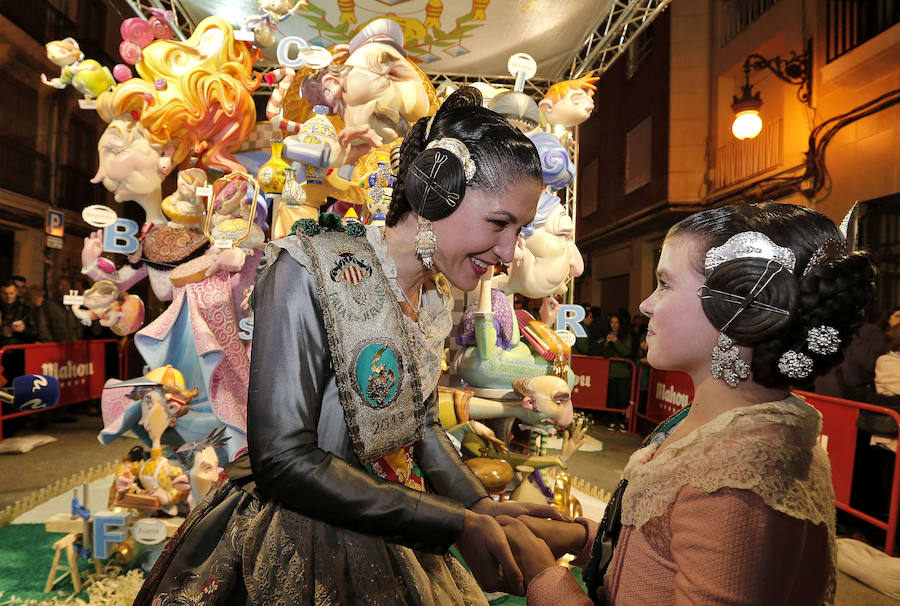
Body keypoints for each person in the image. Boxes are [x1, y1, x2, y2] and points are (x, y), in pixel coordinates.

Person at [135, 87, 564, 605]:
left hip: (395, 526)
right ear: (436, 191)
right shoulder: (307, 265)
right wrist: (452, 523)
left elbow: (418, 423)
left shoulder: (435, 294)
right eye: (499, 223)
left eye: (519, 230)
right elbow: (285, 461)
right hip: (296, 540)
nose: (508, 252)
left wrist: (478, 505)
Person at [495, 202, 874, 605]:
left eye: (665, 284)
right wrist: (583, 536)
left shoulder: (741, 476)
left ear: (739, 307)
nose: (645, 305)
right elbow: (659, 558)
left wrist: (544, 578)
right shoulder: (719, 429)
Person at [593, 311, 634, 429]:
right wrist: (607, 342)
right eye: (612, 322)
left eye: (616, 322)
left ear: (620, 324)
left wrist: (616, 342)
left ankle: (621, 421)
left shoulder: (626, 336)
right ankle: (612, 419)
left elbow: (626, 351)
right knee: (611, 398)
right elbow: (602, 352)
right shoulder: (607, 334)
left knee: (622, 398)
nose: (614, 325)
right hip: (610, 372)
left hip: (623, 373)